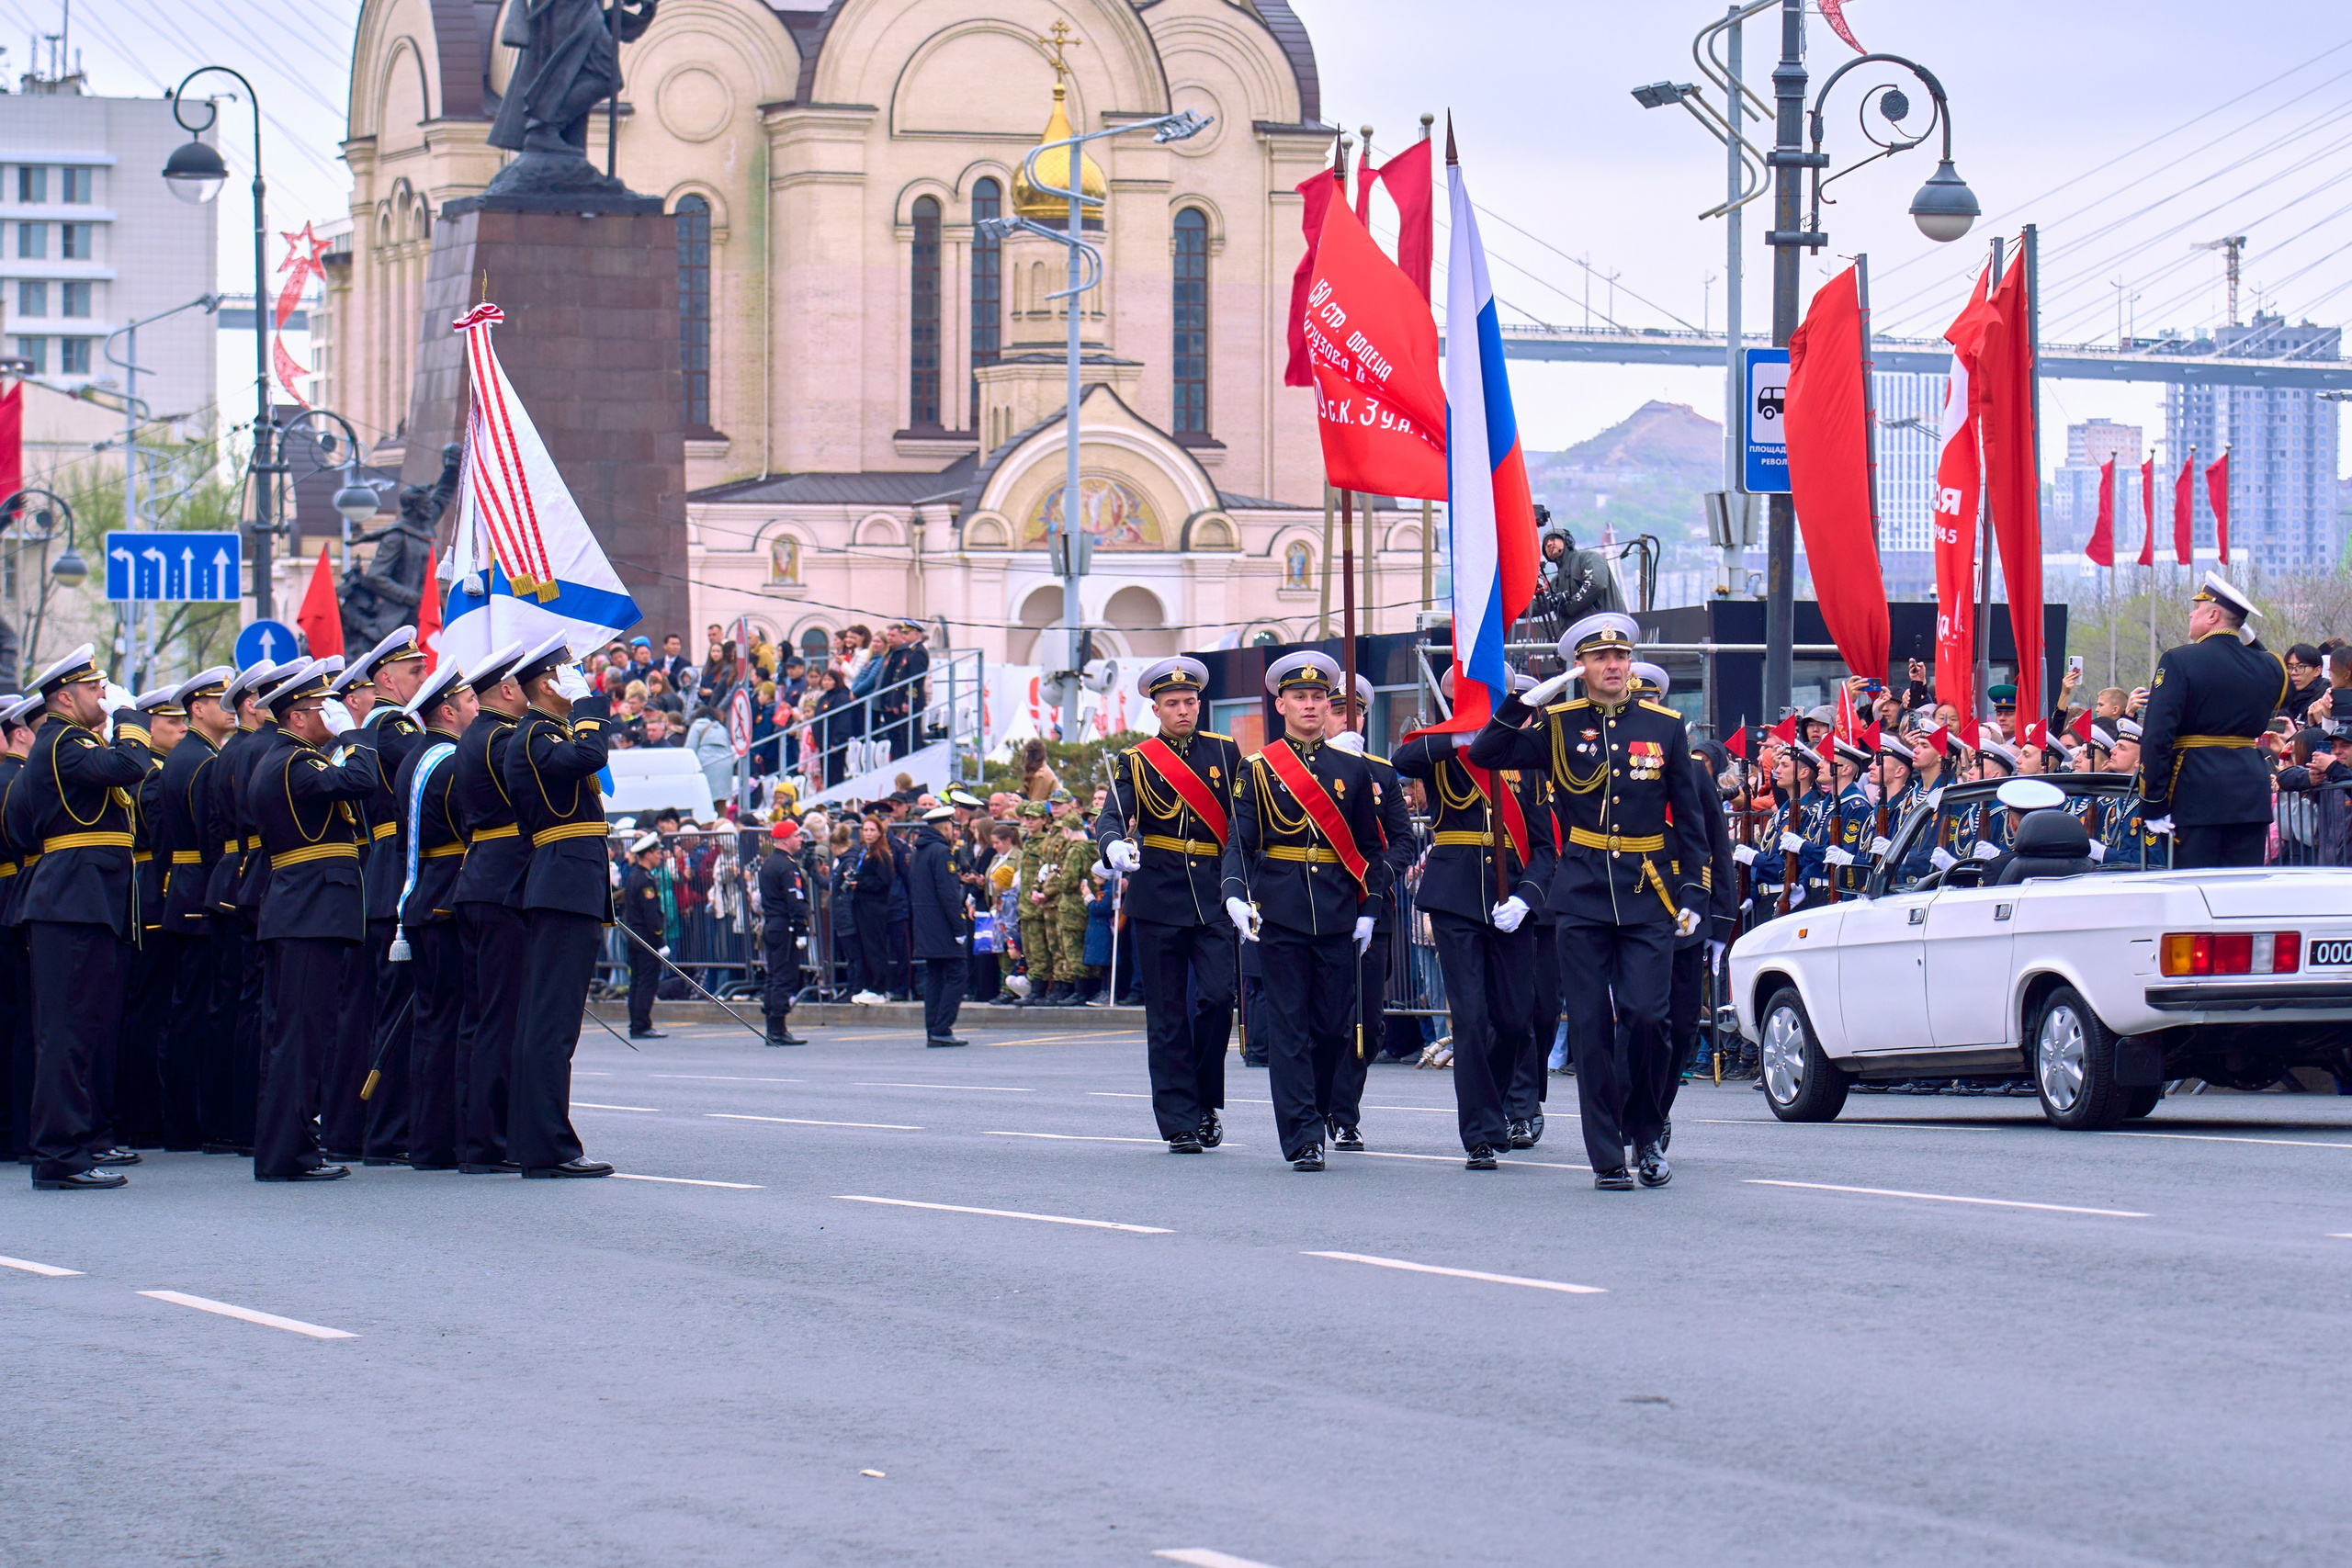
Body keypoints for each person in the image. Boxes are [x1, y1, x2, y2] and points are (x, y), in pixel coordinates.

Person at [1469, 612, 1708, 1192]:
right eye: (1600, 658)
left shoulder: (1666, 725)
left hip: (1647, 891)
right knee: (1593, 1028)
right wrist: (1532, 701)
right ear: (1582, 667)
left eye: (1621, 657)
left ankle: (1646, 1132)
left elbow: (1692, 817)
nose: (1613, 666)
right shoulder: (1559, 723)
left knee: (1649, 1018)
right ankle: (1606, 1154)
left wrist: (1695, 889)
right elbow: (1486, 751)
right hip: (1580, 894)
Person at [1219, 650, 1388, 1172]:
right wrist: (1233, 894)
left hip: (1338, 910)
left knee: (1334, 1028)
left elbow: (1371, 847)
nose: (1311, 705)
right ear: (1281, 703)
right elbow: (1241, 840)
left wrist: (1370, 907)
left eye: (1319, 697)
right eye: (1301, 697)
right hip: (1283, 909)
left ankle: (1313, 1108)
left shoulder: (1352, 768)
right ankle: (1303, 1135)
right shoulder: (1259, 768)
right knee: (1290, 1026)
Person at [1392, 671, 1555, 1169]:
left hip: (1511, 897)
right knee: (1470, 1017)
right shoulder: (1443, 747)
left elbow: (1546, 843)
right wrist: (1462, 733)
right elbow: (1404, 759)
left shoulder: (1527, 754)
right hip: (1457, 893)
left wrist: (1528, 896)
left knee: (1513, 1018)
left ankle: (1500, 1102)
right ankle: (1481, 1131)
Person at [7, 647, 154, 1188]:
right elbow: (131, 766)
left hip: (83, 898)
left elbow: (23, 824)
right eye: (95, 690)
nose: (104, 697)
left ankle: (71, 1146)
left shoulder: (68, 746)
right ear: (65, 698)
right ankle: (58, 1157)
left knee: (79, 1030)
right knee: (66, 1033)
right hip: (72, 900)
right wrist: (133, 723)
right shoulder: (63, 743)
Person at [1095, 657, 1244, 1151]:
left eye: (1189, 702)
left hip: (1212, 894)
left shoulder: (1225, 753)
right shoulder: (1137, 760)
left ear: (1199, 704)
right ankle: (1180, 1120)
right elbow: (1113, 815)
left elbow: (1243, 817)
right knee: (1165, 1014)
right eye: (1172, 704)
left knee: (1218, 999)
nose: (1183, 710)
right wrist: (1113, 845)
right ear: (1156, 709)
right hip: (1157, 892)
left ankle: (1204, 1099)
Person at [245, 658, 381, 1183]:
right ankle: (288, 1154)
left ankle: (290, 1146)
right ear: (297, 718)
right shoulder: (296, 763)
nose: (331, 716)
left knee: (296, 1035)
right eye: (321, 709)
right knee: (300, 1037)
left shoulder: (289, 759)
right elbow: (363, 780)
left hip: (302, 908)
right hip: (308, 910)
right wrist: (359, 734)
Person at [502, 634, 616, 1179]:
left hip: (567, 884)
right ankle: (550, 1144)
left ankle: (537, 1141)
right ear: (548, 684)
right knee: (550, 1024)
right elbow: (590, 754)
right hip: (563, 884)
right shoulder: (533, 736)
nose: (575, 680)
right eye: (566, 673)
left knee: (549, 1021)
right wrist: (591, 707)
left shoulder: (542, 734)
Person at [1323, 672, 1419, 1152]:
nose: (1348, 718)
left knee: (1368, 1020)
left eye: (1355, 710)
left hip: (1370, 908)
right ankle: (1320, 1103)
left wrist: (1377, 880)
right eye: (1338, 709)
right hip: (1315, 907)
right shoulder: (1294, 768)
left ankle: (1345, 1112)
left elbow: (1404, 840)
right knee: (1322, 1017)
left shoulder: (1380, 772)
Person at [389, 660, 475, 1169]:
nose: (475, 709)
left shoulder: (419, 758)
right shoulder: (447, 762)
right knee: (447, 1022)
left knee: (432, 1022)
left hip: (424, 899)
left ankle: (427, 1138)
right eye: (468, 702)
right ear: (447, 710)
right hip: (444, 897)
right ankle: (441, 1139)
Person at [2138, 572, 2284, 869]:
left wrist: (2152, 802)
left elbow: (2157, 735)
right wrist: (2247, 636)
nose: (2191, 613)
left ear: (2214, 614)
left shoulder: (2179, 660)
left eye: (2198, 607)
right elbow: (2284, 685)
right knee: (2242, 892)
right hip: (2250, 796)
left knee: (2196, 891)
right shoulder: (2269, 666)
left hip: (2196, 793)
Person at [449, 640, 529, 1174]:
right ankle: (491, 1141)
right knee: (502, 1018)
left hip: (478, 874)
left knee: (478, 1019)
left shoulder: (470, 738)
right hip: (506, 881)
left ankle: (474, 1136)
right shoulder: (504, 738)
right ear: (504, 689)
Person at [153, 668, 233, 1155]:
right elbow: (211, 836)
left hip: (181, 886)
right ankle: (193, 1120)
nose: (227, 706)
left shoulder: (185, 757)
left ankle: (181, 1119)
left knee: (187, 1009)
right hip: (200, 886)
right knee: (200, 1011)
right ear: (196, 710)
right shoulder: (202, 762)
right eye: (215, 701)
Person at [0, 693, 42, 1164]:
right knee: (26, 1021)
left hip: (16, 890)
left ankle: (15, 1129)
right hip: (17, 889)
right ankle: (20, 1130)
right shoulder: (16, 779)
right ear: (21, 733)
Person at [908, 803, 970, 1045]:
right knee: (957, 974)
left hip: (926, 924)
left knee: (935, 976)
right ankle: (942, 1028)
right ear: (945, 825)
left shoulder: (920, 851)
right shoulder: (941, 852)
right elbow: (948, 894)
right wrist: (958, 929)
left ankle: (933, 1028)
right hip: (943, 925)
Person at [758, 819, 809, 1045]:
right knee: (783, 976)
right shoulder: (787, 866)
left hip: (772, 924)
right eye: (797, 835)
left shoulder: (769, 863)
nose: (800, 839)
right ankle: (777, 1029)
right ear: (785, 839)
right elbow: (795, 900)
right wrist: (801, 928)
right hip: (784, 925)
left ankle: (774, 1025)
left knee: (774, 975)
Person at [620, 830, 668, 1039]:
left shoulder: (634, 876)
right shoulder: (645, 881)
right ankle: (641, 1025)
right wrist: (659, 939)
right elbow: (651, 915)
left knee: (637, 983)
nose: (660, 855)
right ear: (647, 854)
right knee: (646, 983)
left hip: (635, 937)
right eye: (657, 852)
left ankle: (638, 1024)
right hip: (646, 939)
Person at [847, 814, 896, 1003]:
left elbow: (883, 881)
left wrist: (860, 883)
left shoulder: (881, 854)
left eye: (872, 830)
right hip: (862, 905)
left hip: (875, 906)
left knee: (875, 946)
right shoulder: (864, 852)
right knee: (865, 946)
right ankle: (869, 985)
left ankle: (879, 987)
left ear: (879, 832)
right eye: (865, 830)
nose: (868, 834)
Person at [878, 621, 931, 761]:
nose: (904, 636)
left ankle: (914, 761)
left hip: (912, 700)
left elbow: (915, 680)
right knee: (904, 737)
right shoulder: (911, 651)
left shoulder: (918, 652)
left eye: (907, 633)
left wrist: (908, 700)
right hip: (905, 701)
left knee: (911, 738)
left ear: (916, 634)